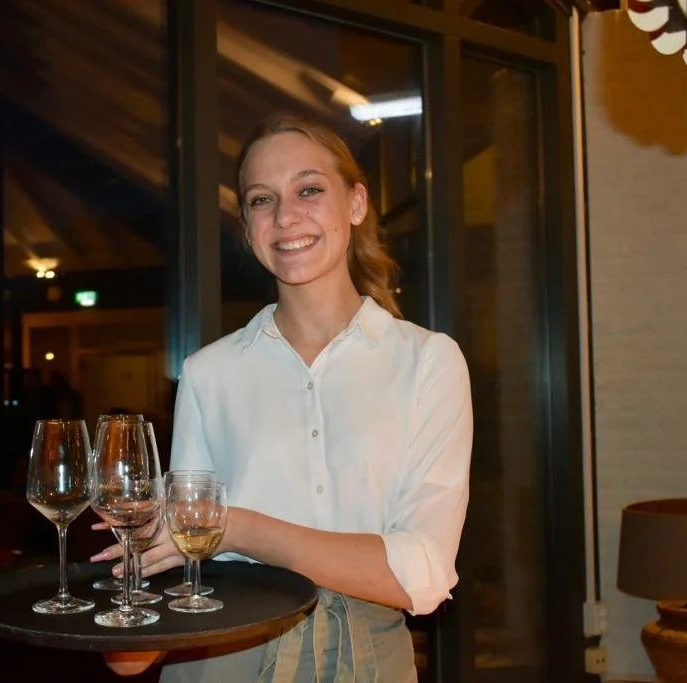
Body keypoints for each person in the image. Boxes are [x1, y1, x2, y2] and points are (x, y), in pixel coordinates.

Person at [94, 113, 473, 682]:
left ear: (357, 203)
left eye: (310, 189)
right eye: (261, 199)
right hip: (220, 658)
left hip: (365, 662)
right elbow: (139, 642)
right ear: (246, 227)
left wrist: (236, 526)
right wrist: (131, 588)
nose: (286, 216)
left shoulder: (428, 362)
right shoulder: (208, 373)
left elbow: (420, 574)